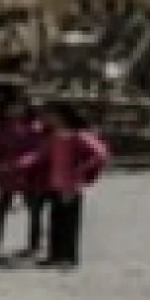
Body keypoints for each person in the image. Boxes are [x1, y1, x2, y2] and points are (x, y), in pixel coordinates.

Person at [39, 104, 110, 270]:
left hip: (71, 184)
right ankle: (55, 255)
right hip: (55, 183)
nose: (49, 119)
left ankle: (69, 258)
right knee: (55, 221)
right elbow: (43, 156)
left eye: (52, 115)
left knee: (69, 222)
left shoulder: (79, 135)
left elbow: (101, 155)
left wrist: (80, 169)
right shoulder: (53, 136)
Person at [0, 91, 48, 258]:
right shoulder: (3, 127)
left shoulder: (35, 127)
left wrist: (23, 163)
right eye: (11, 106)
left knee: (34, 209)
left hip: (29, 173)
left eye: (19, 106)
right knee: (2, 207)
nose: (14, 109)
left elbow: (39, 150)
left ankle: (34, 244)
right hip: (7, 173)